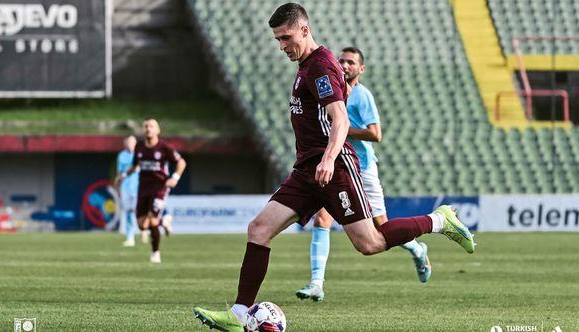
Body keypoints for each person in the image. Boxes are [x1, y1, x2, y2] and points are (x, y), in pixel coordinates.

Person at [193, 3, 475, 331]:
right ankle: (240, 314)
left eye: (286, 38)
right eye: (277, 40)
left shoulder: (321, 67)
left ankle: (439, 220)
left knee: (370, 243)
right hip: (306, 171)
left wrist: (328, 159)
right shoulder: (305, 65)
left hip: (335, 168)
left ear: (304, 30)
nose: (283, 46)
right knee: (259, 229)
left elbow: (340, 118)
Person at [295, 47, 432, 302]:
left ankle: (416, 248)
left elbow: (375, 134)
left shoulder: (362, 95)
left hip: (364, 168)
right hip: (338, 165)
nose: (345, 65)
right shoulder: (328, 90)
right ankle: (316, 283)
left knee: (382, 229)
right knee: (322, 219)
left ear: (361, 69)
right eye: (341, 61)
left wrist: (342, 129)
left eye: (351, 62)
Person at [116, 119, 186, 263]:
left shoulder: (164, 147)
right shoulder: (139, 148)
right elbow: (135, 166)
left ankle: (155, 253)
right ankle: (164, 222)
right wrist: (122, 176)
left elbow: (181, 162)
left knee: (153, 220)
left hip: (159, 188)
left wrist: (175, 177)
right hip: (143, 188)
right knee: (142, 225)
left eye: (151, 126)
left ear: (157, 130)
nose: (148, 129)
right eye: (146, 126)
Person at [116, 135, 140, 247]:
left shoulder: (140, 155)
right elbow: (119, 174)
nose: (130, 144)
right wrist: (118, 188)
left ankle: (144, 231)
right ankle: (130, 238)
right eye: (128, 142)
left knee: (140, 211)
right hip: (126, 188)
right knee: (129, 212)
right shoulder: (121, 156)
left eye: (132, 142)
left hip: (139, 188)